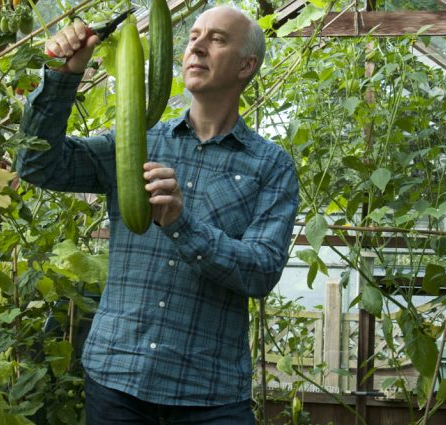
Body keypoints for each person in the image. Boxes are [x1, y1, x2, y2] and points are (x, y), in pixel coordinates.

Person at [18, 5, 299, 424]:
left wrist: (182, 224)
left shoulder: (270, 166)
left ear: (246, 65)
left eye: (217, 39)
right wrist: (64, 76)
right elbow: (38, 164)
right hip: (118, 378)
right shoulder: (135, 142)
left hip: (210, 392)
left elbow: (260, 272)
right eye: (193, 37)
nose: (197, 45)